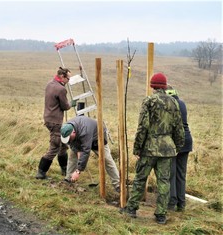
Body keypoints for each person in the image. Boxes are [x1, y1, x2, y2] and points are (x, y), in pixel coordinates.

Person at [120, 73, 184, 224]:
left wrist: (137, 148)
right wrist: (178, 146)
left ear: (153, 85)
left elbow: (143, 126)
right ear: (165, 86)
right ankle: (161, 214)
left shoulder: (149, 101)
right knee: (164, 182)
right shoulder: (174, 103)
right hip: (167, 148)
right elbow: (178, 127)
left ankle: (131, 209)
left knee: (140, 179)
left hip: (149, 147)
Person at [35, 67, 77, 179]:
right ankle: (41, 173)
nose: (69, 81)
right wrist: (71, 104)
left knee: (63, 145)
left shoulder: (50, 84)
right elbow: (65, 106)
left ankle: (65, 170)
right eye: (68, 78)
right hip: (55, 121)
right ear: (62, 77)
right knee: (54, 147)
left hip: (49, 118)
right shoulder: (61, 89)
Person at [60, 116, 120, 192]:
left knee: (107, 160)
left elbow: (86, 151)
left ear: (73, 132)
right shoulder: (67, 128)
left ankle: (117, 184)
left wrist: (78, 171)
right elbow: (71, 143)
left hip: (97, 137)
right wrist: (77, 151)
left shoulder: (85, 132)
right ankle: (69, 179)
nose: (68, 140)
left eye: (69, 138)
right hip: (80, 138)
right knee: (72, 156)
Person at [166, 85, 193, 212]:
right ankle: (181, 204)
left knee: (171, 173)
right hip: (187, 141)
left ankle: (171, 203)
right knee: (181, 174)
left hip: (175, 142)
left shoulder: (169, 104)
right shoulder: (182, 103)